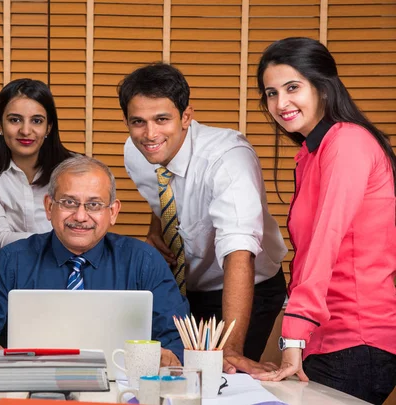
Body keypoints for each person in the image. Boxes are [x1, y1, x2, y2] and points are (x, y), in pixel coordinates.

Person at [252, 37, 396, 404]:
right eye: (271, 93)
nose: (280, 103)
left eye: (292, 87)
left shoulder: (347, 143)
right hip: (329, 339)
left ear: (323, 86)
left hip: (356, 339)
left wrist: (293, 337)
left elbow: (324, 242)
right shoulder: (312, 152)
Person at [119, 63, 288, 375]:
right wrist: (156, 229)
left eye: (161, 119)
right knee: (176, 377)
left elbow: (239, 251)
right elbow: (162, 191)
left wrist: (232, 347)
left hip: (243, 287)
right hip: (181, 289)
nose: (150, 133)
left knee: (222, 375)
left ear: (186, 116)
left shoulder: (228, 158)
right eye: (138, 122)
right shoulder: (136, 150)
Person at [0, 155, 189, 366]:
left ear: (112, 212)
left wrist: (169, 357)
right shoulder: (12, 261)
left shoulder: (144, 262)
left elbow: (178, 342)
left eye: (93, 205)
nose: (80, 216)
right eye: (69, 202)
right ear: (49, 207)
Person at [0, 78, 73, 256]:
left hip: (66, 271)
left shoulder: (74, 169)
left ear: (48, 127)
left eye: (37, 121)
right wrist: (63, 241)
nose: (26, 131)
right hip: (8, 271)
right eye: (15, 120)